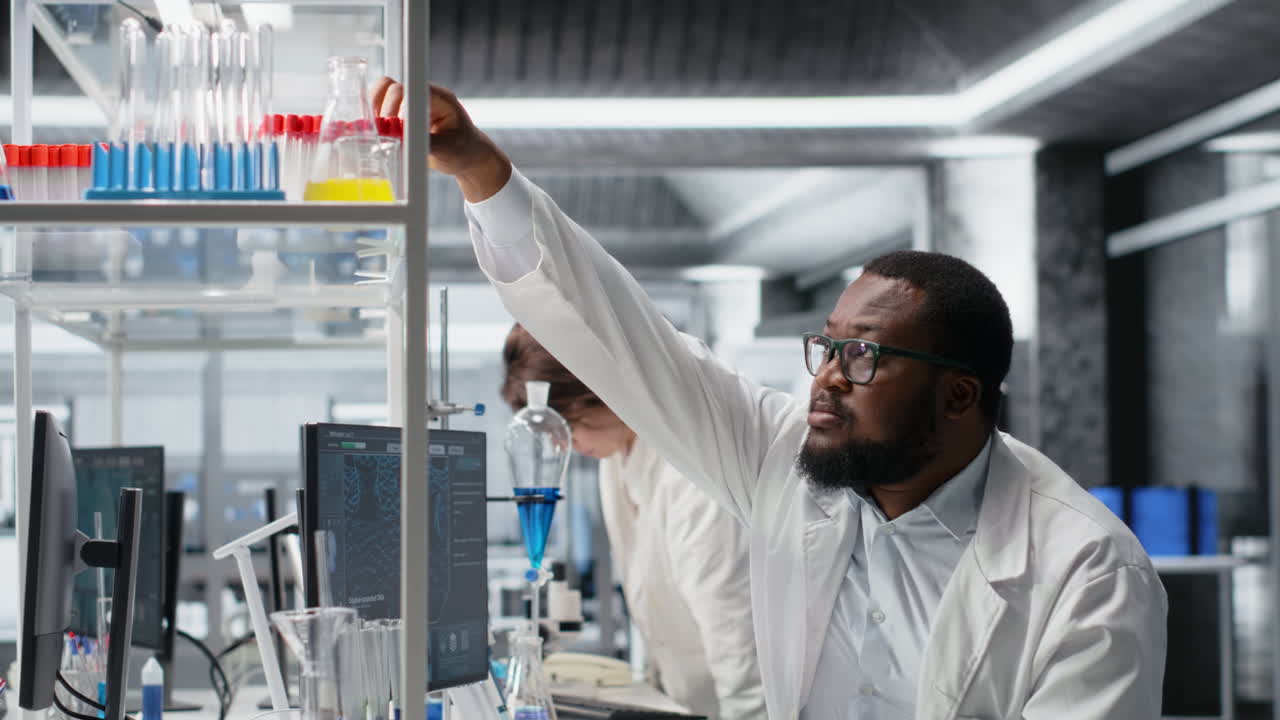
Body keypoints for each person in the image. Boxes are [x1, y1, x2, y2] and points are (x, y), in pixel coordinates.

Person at [374, 79, 1169, 720]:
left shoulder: (1088, 573)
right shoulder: (781, 458)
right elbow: (625, 337)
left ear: (958, 394)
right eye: (827, 346)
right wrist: (481, 169)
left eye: (863, 358)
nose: (824, 376)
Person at [501, 324, 765, 720]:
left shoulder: (694, 470)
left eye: (569, 426)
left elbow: (740, 647)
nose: (562, 444)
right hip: (686, 701)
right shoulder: (618, 455)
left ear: (606, 393)